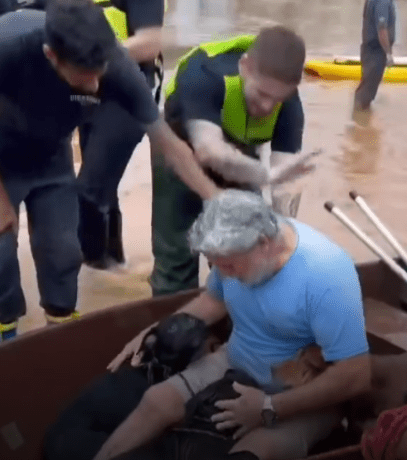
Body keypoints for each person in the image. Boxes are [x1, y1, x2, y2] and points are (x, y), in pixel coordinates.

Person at [0, 0, 220, 341]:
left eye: (100, 73)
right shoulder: (10, 46)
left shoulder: (112, 62)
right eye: (85, 76)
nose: (94, 88)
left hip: (51, 155)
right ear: (51, 55)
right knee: (1, 250)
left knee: (63, 250)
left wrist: (217, 199)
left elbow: (170, 145)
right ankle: (6, 335)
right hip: (3, 156)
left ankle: (60, 332)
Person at [97, 189, 371, 460]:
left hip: (299, 389)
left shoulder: (327, 275)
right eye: (217, 265)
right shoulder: (234, 255)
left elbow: (355, 375)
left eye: (229, 266)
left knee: (254, 452)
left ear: (264, 243)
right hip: (237, 358)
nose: (224, 273)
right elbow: (214, 300)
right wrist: (156, 329)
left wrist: (269, 407)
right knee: (155, 402)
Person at [150, 26, 316, 297]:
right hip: (181, 144)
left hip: (239, 151)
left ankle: (235, 317)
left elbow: (285, 182)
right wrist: (265, 175)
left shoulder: (289, 104)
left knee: (246, 246)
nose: (267, 107)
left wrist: (283, 242)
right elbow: (209, 151)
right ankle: (175, 318)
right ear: (245, 67)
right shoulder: (205, 73)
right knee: (177, 255)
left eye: (277, 100)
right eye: (262, 94)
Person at [77, 0, 166, 269]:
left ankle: (97, 263)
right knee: (103, 188)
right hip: (84, 92)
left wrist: (87, 58)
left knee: (87, 191)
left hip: (128, 94)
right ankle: (112, 267)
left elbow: (149, 44)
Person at [353, 0, 396, 117]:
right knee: (367, 91)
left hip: (369, 50)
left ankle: (360, 120)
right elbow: (382, 30)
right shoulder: (383, 2)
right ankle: (360, 121)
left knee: (366, 88)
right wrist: (388, 54)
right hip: (375, 51)